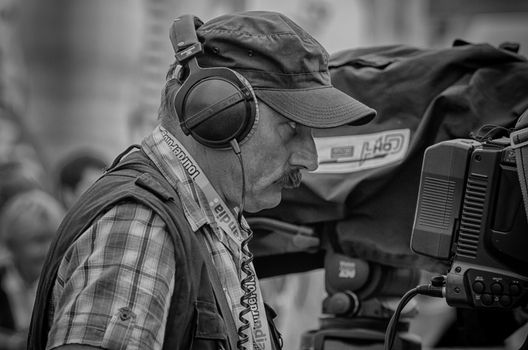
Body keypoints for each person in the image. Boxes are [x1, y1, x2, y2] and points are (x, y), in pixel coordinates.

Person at [28, 11, 376, 350]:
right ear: (221, 112)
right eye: (292, 127)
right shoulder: (142, 225)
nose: (310, 159)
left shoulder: (206, 215)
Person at [0, 189, 65, 350]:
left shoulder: (65, 281)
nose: (49, 250)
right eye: (39, 240)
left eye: (54, 239)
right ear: (12, 245)